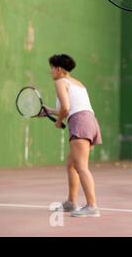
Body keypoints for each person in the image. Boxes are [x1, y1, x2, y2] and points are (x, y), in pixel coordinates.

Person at [47, 54, 102, 217]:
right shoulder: (78, 83)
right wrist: (48, 111)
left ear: (58, 69)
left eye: (51, 69)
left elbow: (66, 108)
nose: (50, 72)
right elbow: (70, 107)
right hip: (91, 122)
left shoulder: (60, 82)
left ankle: (92, 207)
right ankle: (71, 203)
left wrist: (58, 122)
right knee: (72, 164)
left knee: (81, 167)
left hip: (80, 122)